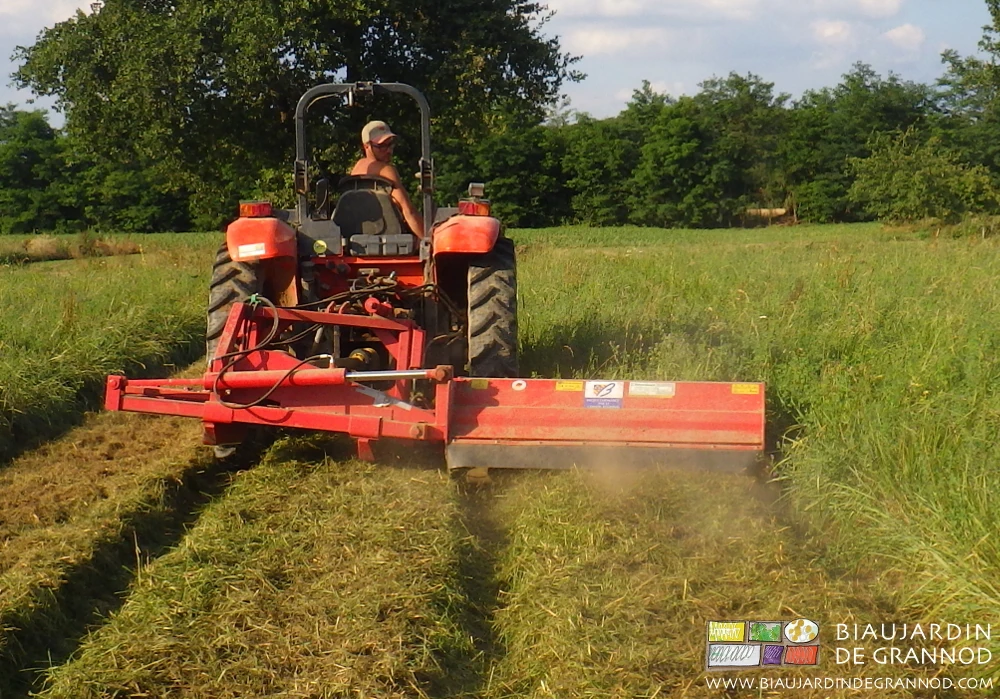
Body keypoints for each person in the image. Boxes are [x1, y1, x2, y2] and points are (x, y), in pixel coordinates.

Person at [350, 120, 425, 238]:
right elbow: (408, 211)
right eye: (381, 146)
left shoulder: (356, 170)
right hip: (391, 238)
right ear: (366, 146)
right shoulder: (387, 170)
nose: (389, 150)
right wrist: (428, 240)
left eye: (390, 144)